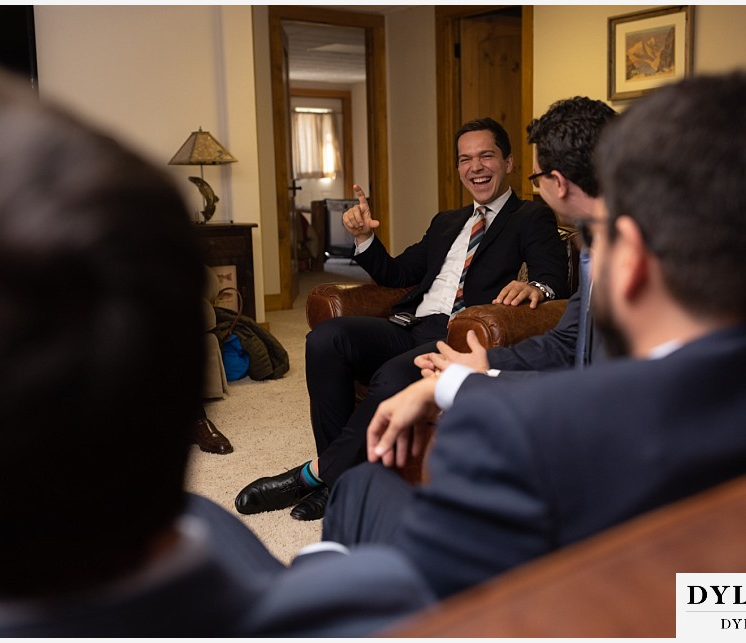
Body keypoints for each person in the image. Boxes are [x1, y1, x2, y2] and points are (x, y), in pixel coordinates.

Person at [322, 71, 746, 599]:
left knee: (360, 493)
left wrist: (463, 390)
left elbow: (601, 408)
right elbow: (593, 369)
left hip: (564, 585)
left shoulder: (501, 436)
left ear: (632, 258)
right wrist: (477, 375)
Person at [0, 62, 433, 637]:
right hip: (300, 588)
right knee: (363, 485)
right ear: (181, 386)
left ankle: (325, 477)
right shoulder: (401, 604)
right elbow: (400, 271)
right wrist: (321, 570)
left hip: (436, 337)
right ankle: (330, 488)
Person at [235, 117, 570, 521]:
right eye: (466, 159)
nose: (476, 167)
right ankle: (342, 478)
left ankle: (315, 478)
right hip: (412, 324)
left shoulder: (529, 217)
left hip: (459, 336)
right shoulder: (447, 222)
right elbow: (396, 274)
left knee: (393, 374)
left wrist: (539, 288)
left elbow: (551, 276)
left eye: (486, 156)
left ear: (509, 162)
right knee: (326, 338)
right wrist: (363, 238)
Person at [414, 96, 618, 394]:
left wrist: (470, 381)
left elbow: (604, 384)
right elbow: (567, 341)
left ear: (558, 183)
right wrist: (482, 361)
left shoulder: (636, 254)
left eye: (536, 178)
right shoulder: (598, 245)